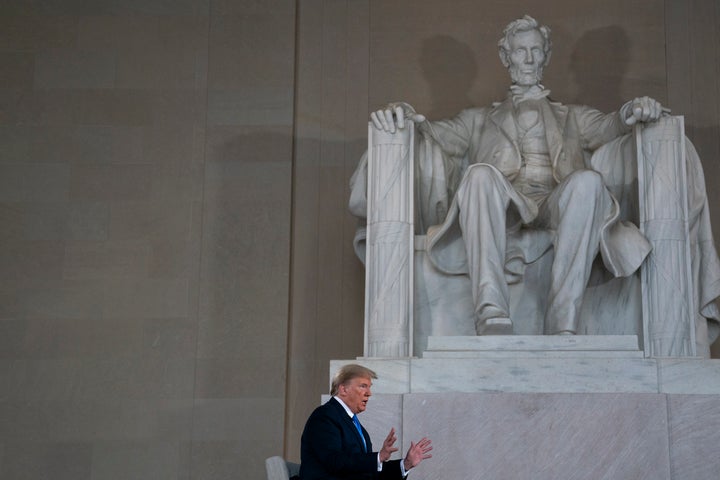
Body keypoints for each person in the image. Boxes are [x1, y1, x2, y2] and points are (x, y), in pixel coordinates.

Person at [368, 15, 666, 336]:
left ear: (546, 56)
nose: (528, 59)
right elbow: (430, 131)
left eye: (536, 50)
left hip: (555, 202)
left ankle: (563, 320)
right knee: (480, 174)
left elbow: (611, 125)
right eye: (520, 50)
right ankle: (491, 310)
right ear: (505, 57)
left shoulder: (573, 117)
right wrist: (402, 112)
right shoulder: (478, 120)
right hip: (505, 204)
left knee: (588, 182)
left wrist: (633, 110)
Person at [299, 364, 432, 480]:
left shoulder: (357, 427)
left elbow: (368, 472)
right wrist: (378, 457)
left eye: (369, 387)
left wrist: (406, 464)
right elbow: (334, 461)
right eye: (363, 386)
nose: (369, 393)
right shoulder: (325, 416)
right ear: (343, 389)